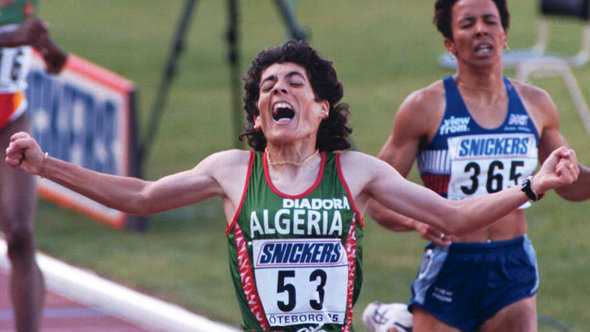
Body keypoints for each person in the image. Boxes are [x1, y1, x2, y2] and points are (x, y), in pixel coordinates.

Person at [5, 40, 578, 332]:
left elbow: (454, 218)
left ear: (321, 107)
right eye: (268, 87)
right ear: (258, 116)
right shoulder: (232, 171)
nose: (280, 91)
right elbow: (142, 196)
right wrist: (46, 165)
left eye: (295, 83)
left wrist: (532, 186)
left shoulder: (356, 172)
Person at [363, 0, 590, 331]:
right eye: (468, 23)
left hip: (513, 264)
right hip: (452, 262)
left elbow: (570, 185)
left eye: (489, 21)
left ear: (504, 35)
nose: (481, 29)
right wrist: (415, 222)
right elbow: (376, 198)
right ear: (450, 44)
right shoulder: (423, 108)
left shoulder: (536, 104)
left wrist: (570, 172)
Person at [0, 0, 67, 331]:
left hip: (9, 116)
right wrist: (9, 36)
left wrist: (50, 51)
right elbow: (13, 37)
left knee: (21, 236)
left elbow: (28, 45)